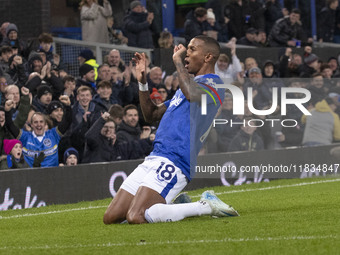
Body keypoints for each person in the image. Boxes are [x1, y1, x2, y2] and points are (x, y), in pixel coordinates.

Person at [103, 35, 239, 225]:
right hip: (154, 157)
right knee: (111, 217)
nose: (186, 54)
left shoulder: (215, 84)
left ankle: (205, 205)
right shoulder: (183, 90)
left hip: (176, 159)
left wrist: (177, 63)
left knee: (136, 216)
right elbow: (151, 115)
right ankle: (171, 206)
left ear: (208, 57)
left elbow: (192, 94)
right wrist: (142, 81)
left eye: (192, 49)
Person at [5, 95, 72, 167]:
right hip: (31, 176)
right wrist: (7, 111)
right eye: (35, 122)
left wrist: (68, 106)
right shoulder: (25, 137)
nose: (39, 124)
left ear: (45, 124)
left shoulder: (53, 134)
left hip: (52, 175)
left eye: (41, 122)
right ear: (31, 125)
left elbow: (68, 121)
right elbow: (10, 126)